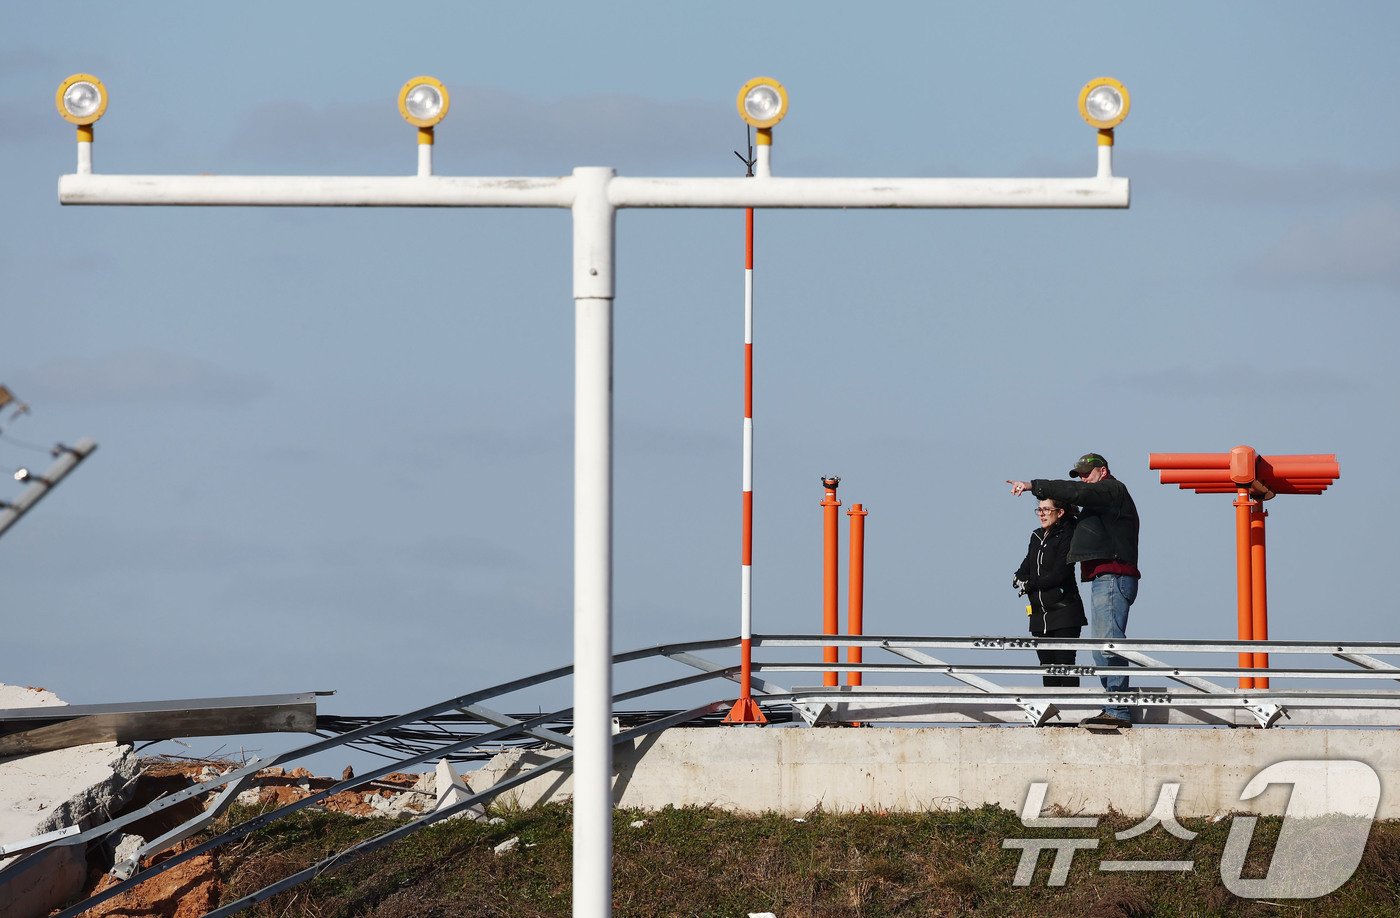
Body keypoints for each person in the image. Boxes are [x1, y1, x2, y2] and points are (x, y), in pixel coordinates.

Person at [1007, 453, 1140, 729]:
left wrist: (1034, 485)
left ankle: (1118, 709)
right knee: (1101, 649)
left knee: (1108, 645)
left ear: (1102, 471)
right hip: (1104, 577)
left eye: (1086, 473)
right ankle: (1113, 707)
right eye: (1079, 474)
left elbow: (1076, 493)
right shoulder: (1099, 500)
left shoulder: (1111, 489)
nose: (1082, 478)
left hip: (1113, 575)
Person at [1014, 498, 1086, 688]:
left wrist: (1029, 584)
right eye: (1039, 510)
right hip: (1039, 615)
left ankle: (1070, 716)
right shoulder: (1036, 536)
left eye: (1046, 509)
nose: (1042, 514)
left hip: (1065, 613)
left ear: (1060, 512)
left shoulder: (1068, 534)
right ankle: (1053, 717)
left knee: (1065, 666)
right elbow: (1026, 565)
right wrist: (1018, 578)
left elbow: (1059, 574)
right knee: (1047, 667)